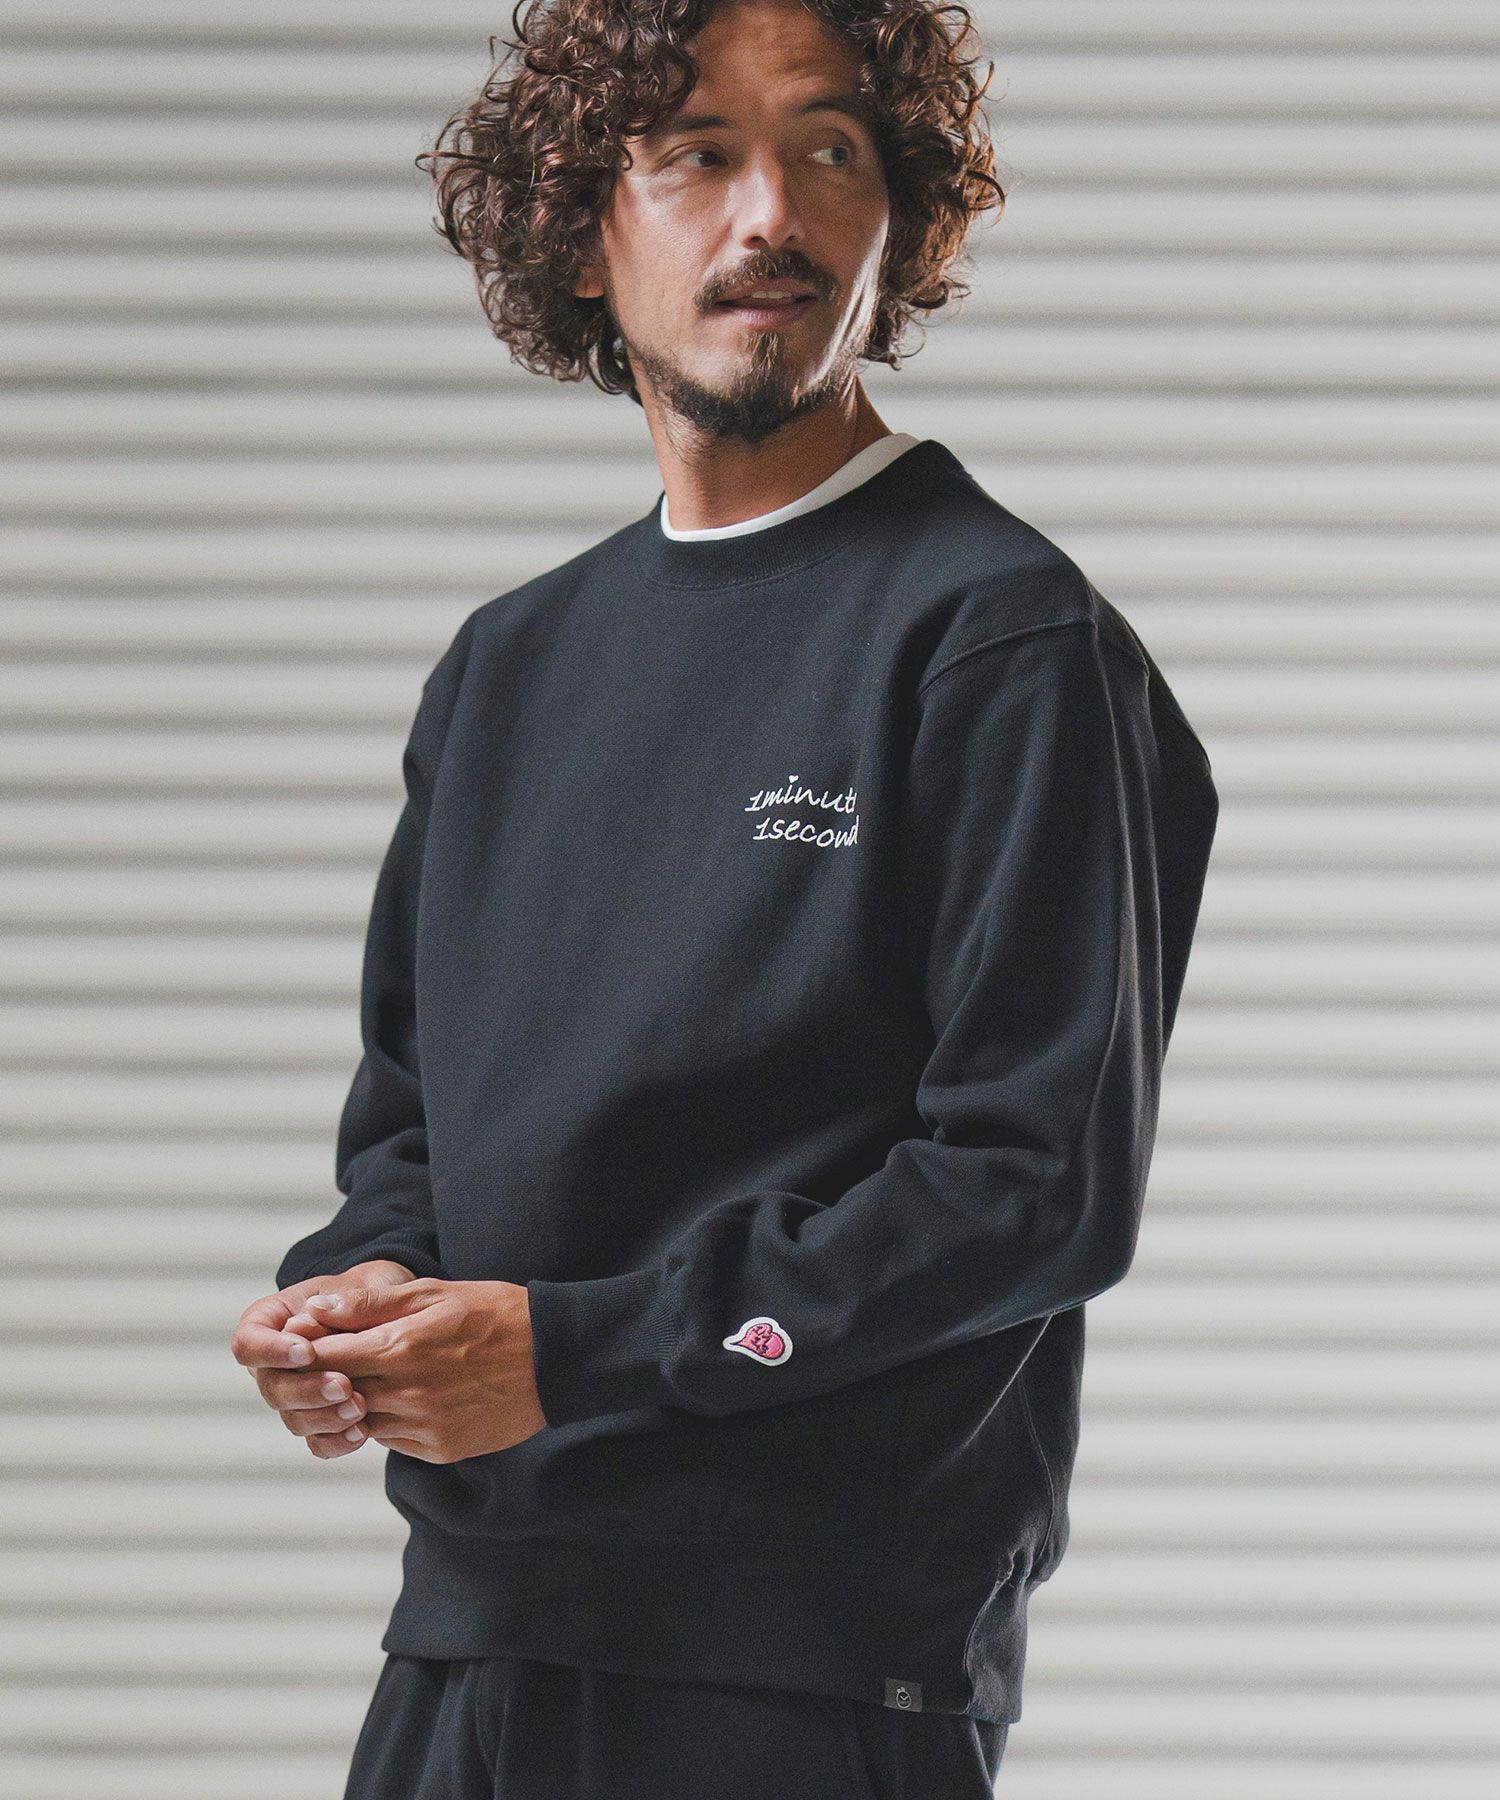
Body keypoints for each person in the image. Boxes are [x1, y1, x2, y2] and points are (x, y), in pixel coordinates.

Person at [230, 2, 1219, 1794]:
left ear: (899, 218)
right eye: (696, 154)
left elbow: (1032, 1187)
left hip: (798, 1682)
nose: (772, 212)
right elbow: (416, 1131)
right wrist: (357, 1297)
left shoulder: (1002, 641)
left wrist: (574, 1353)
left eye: (832, 150)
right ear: (578, 230)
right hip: (469, 1642)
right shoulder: (507, 670)